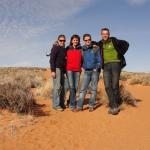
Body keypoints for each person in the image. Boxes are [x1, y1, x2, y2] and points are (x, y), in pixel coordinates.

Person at [97, 28, 129, 115]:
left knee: (115, 85)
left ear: (109, 34)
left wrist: (120, 53)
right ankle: (114, 105)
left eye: (106, 33)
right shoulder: (100, 43)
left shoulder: (114, 40)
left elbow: (126, 44)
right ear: (101, 34)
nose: (105, 35)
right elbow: (92, 44)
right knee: (107, 86)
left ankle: (114, 106)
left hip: (116, 64)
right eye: (103, 34)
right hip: (106, 66)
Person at [76, 34, 101, 112]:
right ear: (84, 41)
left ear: (91, 39)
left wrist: (96, 68)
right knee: (83, 89)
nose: (87, 41)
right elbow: (73, 49)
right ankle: (79, 106)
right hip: (86, 71)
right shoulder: (82, 49)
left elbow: (99, 60)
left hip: (94, 72)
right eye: (86, 40)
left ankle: (91, 105)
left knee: (93, 89)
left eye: (89, 39)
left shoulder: (96, 48)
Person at [50, 34, 66, 111]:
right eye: (61, 40)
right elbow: (52, 59)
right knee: (57, 87)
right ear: (58, 40)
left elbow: (64, 61)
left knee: (62, 88)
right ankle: (56, 105)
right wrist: (53, 71)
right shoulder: (55, 48)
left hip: (62, 70)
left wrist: (65, 72)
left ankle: (61, 103)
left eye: (64, 40)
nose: (62, 42)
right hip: (57, 69)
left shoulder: (63, 49)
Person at [66, 35, 82, 111]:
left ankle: (70, 101)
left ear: (78, 41)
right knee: (72, 87)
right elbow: (63, 56)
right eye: (74, 40)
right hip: (69, 69)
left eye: (76, 40)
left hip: (78, 70)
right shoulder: (67, 48)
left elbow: (82, 59)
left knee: (75, 87)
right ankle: (72, 105)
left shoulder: (81, 49)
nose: (75, 41)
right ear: (71, 41)